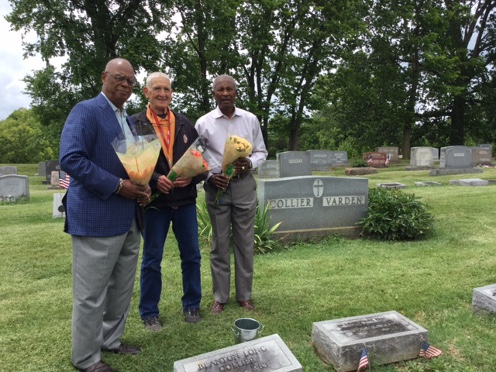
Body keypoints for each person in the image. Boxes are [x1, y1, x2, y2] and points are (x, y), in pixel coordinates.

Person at [60, 58, 151, 372]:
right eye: (119, 78)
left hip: (129, 218)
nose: (125, 85)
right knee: (91, 294)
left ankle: (110, 340)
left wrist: (142, 188)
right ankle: (85, 358)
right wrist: (116, 186)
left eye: (130, 81)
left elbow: (134, 165)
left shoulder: (127, 118)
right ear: (104, 77)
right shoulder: (86, 110)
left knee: (121, 287)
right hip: (96, 216)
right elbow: (71, 158)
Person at [131, 72, 205, 330]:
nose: (163, 93)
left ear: (172, 93)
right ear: (146, 92)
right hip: (154, 205)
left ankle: (192, 304)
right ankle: (149, 311)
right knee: (152, 258)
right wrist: (154, 178)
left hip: (184, 201)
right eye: (157, 89)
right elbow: (130, 164)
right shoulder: (135, 124)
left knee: (192, 256)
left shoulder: (184, 123)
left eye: (167, 89)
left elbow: (202, 164)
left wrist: (192, 178)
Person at [195, 74, 268, 314]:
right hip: (217, 187)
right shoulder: (203, 123)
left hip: (244, 185)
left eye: (230, 89)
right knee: (219, 244)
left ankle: (244, 296)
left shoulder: (250, 119)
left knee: (245, 243)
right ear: (214, 93)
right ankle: (220, 297)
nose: (225, 93)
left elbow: (261, 152)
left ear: (236, 92)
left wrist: (250, 163)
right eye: (220, 89)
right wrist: (208, 177)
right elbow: (196, 157)